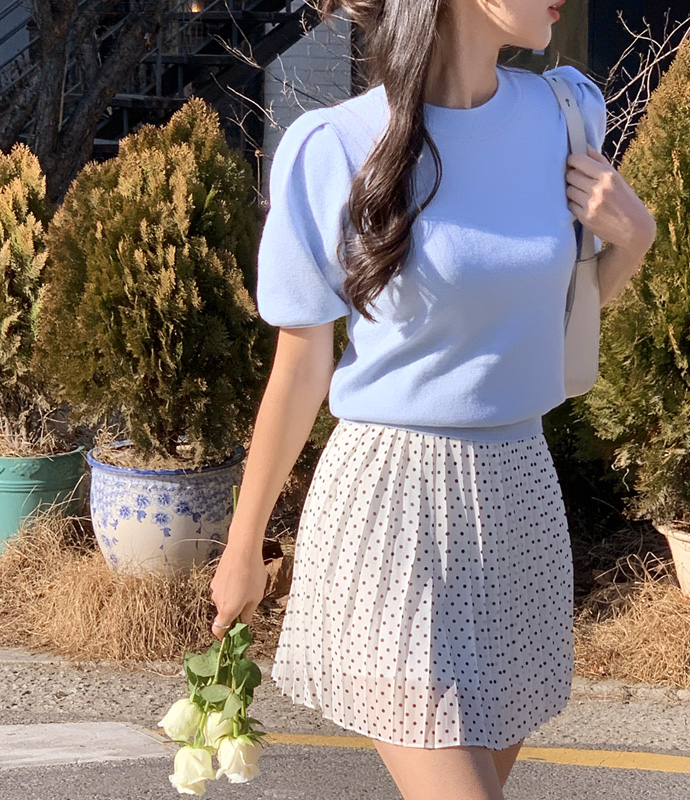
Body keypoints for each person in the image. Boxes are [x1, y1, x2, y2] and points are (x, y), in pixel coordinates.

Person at [210, 0, 657, 797]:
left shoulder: (567, 115)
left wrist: (635, 239)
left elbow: (560, 322)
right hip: (390, 510)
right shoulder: (335, 145)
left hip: (518, 499)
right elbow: (300, 371)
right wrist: (243, 551)